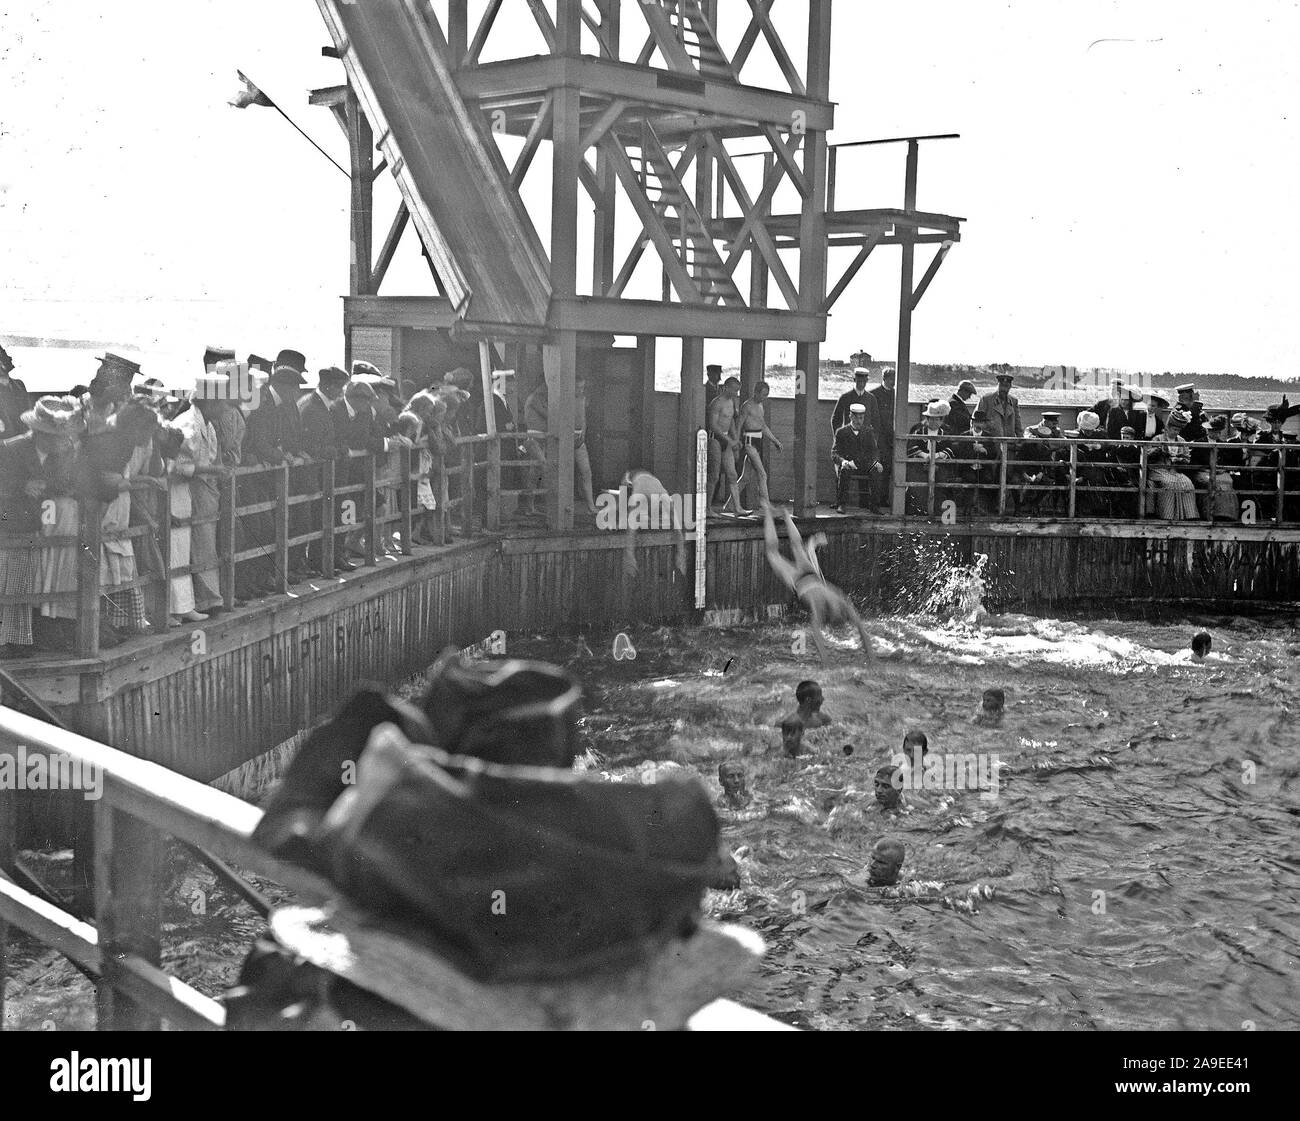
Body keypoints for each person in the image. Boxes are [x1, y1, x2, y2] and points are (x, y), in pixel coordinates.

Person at [762, 503, 873, 660]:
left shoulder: (843, 603)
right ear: (837, 614)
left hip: (808, 577)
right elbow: (817, 636)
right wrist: (826, 662)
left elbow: (863, 633)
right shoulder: (828, 608)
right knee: (773, 552)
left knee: (794, 547)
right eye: (835, 621)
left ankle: (785, 516)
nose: (833, 623)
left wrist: (872, 658)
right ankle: (770, 512)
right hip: (801, 579)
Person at [26, 397, 84, 651]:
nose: (61, 440)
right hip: (33, 521)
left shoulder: (68, 451)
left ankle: (55, 624)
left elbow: (73, 482)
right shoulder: (15, 449)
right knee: (41, 569)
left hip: (62, 516)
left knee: (58, 569)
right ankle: (40, 625)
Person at [300, 366, 350, 574]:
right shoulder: (312, 407)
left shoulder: (322, 405)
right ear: (328, 386)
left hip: (324, 473)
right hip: (315, 474)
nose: (341, 392)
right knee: (317, 518)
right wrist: (333, 450)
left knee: (326, 517)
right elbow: (310, 443)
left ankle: (326, 560)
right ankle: (317, 562)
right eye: (339, 387)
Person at [618, 467, 688, 579]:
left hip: (650, 479)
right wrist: (629, 555)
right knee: (624, 514)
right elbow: (630, 531)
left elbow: (679, 531)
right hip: (631, 476)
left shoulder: (666, 499)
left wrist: (681, 554)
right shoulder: (637, 497)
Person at [736, 381, 782, 510]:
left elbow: (763, 426)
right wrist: (736, 442)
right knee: (762, 474)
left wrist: (775, 441)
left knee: (745, 478)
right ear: (755, 392)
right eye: (762, 394)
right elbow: (739, 424)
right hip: (749, 442)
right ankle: (766, 506)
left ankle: (729, 504)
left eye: (766, 395)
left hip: (758, 441)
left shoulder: (761, 406)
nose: (764, 397)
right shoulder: (747, 406)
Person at [1147, 408, 1198, 519]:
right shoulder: (1158, 439)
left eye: (1178, 430)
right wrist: (1159, 450)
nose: (1176, 432)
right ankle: (1167, 515)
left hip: (1175, 470)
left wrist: (1180, 460)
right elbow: (1148, 454)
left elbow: (1187, 458)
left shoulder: (1181, 441)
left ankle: (1188, 515)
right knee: (1170, 483)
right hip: (1158, 469)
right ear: (1168, 428)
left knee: (1187, 483)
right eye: (1174, 429)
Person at [706, 377, 747, 516]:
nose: (736, 393)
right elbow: (713, 425)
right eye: (734, 390)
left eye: (738, 391)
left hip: (727, 440)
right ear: (726, 387)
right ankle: (707, 509)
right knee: (714, 476)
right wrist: (730, 440)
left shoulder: (732, 402)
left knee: (732, 474)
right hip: (715, 440)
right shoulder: (716, 403)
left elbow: (731, 423)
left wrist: (735, 439)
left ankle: (737, 508)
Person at [905, 400, 955, 514]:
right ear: (927, 419)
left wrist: (937, 456)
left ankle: (938, 512)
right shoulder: (919, 432)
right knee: (918, 484)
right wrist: (924, 455)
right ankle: (918, 512)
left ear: (941, 420)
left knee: (941, 482)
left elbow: (950, 449)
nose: (934, 422)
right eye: (931, 419)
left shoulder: (944, 434)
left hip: (939, 465)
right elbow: (911, 447)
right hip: (920, 465)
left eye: (937, 419)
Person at [832, 403, 882, 514]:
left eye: (861, 418)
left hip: (864, 465)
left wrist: (875, 462)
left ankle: (874, 506)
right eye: (856, 418)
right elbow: (835, 453)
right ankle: (842, 504)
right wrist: (843, 461)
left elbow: (874, 451)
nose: (859, 421)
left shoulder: (868, 432)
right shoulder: (841, 432)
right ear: (850, 417)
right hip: (849, 464)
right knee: (844, 470)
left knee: (875, 471)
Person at [1066, 410, 1111, 515]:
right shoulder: (1075, 434)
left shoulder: (1101, 434)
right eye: (1086, 430)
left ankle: (1098, 510)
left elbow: (1110, 445)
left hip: (1098, 465)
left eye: (1090, 430)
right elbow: (1067, 449)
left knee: (1098, 481)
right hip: (1079, 466)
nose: (1088, 432)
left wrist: (1099, 446)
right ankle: (1076, 510)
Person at [867, 367, 896, 510]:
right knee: (879, 467)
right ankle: (875, 500)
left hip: (892, 437)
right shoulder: (874, 395)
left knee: (888, 468)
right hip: (879, 437)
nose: (893, 382)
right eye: (891, 379)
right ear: (884, 378)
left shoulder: (896, 395)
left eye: (894, 379)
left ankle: (883, 499)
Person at [0, 343, 31, 439]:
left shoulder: (19, 385)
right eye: (2, 356)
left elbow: (28, 415)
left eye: (4, 354)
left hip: (25, 439)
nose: (9, 358)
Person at [977, 372, 1021, 441]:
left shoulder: (1013, 401)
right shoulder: (986, 399)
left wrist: (1020, 440)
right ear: (998, 385)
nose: (1004, 389)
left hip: (1009, 443)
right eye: (1002, 386)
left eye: (1006, 386)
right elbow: (977, 422)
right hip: (991, 443)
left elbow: (1018, 424)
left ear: (1010, 387)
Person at [831, 367, 874, 435]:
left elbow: (876, 421)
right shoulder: (845, 397)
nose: (862, 384)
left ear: (867, 381)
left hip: (865, 439)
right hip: (848, 439)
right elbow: (836, 419)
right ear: (854, 380)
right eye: (859, 381)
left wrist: (873, 440)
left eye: (864, 381)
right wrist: (839, 437)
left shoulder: (871, 398)